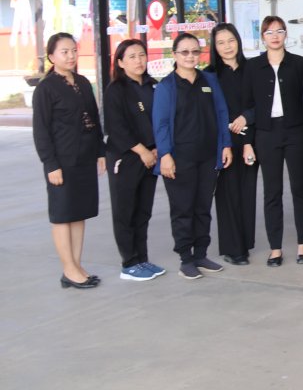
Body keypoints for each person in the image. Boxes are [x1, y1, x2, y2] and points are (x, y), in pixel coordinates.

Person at [152, 33, 233, 280]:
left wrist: (225, 145)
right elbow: (161, 124)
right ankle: (186, 259)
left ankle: (201, 254)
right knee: (183, 209)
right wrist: (165, 155)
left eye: (195, 51)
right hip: (180, 158)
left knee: (202, 207)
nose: (190, 56)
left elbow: (222, 113)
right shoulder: (167, 87)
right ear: (175, 55)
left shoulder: (209, 80)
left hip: (208, 156)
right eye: (185, 52)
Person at [32, 32, 105, 289]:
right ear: (52, 56)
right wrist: (50, 164)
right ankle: (69, 268)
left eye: (73, 50)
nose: (71, 55)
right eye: (64, 52)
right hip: (61, 161)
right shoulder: (46, 88)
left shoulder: (83, 82)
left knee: (78, 212)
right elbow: (41, 131)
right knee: (63, 214)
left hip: (84, 158)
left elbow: (94, 119)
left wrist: (100, 152)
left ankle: (75, 266)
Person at [245, 16, 303, 266]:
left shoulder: (298, 63)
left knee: (300, 189)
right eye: (269, 32)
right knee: (272, 192)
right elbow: (248, 104)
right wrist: (248, 141)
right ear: (263, 37)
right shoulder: (253, 66)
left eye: (279, 31)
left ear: (286, 34)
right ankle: (275, 248)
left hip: (295, 131)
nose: (275, 36)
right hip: (266, 133)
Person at [103, 39, 165, 281]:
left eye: (141, 55)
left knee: (143, 211)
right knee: (125, 211)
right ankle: (129, 264)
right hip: (127, 157)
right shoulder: (116, 90)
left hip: (151, 156)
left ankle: (142, 259)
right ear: (120, 62)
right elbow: (116, 128)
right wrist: (143, 151)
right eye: (131, 57)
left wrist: (157, 149)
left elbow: (160, 120)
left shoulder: (152, 85)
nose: (138, 61)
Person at [207, 23, 257, 266]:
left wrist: (246, 117)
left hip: (250, 139)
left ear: (238, 41)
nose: (227, 47)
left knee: (247, 193)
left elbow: (262, 103)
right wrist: (225, 133)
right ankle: (233, 248)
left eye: (231, 40)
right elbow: (208, 111)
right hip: (223, 141)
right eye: (221, 42)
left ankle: (244, 244)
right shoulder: (209, 75)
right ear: (214, 47)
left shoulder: (253, 69)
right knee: (227, 194)